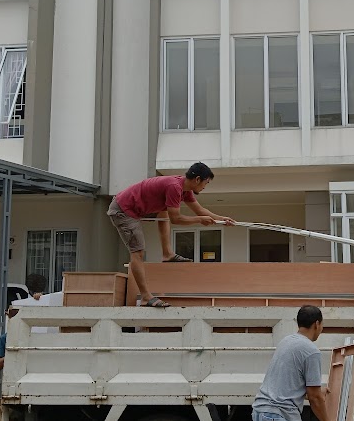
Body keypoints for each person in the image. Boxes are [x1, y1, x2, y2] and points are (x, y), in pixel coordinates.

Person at [107, 162, 235, 308]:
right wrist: (199, 221)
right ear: (198, 179)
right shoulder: (174, 187)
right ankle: (145, 297)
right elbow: (177, 219)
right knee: (138, 252)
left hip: (135, 207)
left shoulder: (185, 189)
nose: (205, 187)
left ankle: (167, 254)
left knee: (164, 211)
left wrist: (222, 219)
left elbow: (200, 210)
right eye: (206, 183)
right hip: (123, 210)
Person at [252, 305, 331, 421]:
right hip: (278, 415)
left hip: (260, 411)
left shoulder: (286, 341)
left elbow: (288, 388)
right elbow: (315, 398)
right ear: (317, 324)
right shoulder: (311, 351)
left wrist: (318, 391)